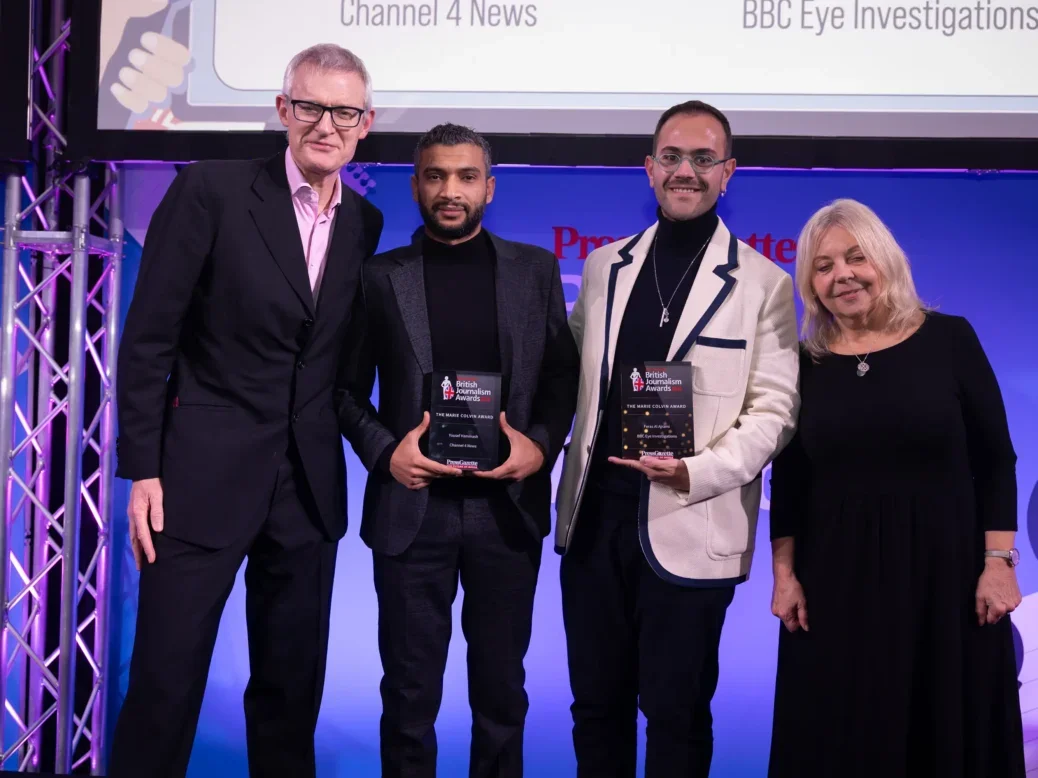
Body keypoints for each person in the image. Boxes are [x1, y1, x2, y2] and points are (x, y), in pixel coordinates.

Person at [109, 44, 383, 777]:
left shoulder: (367, 223)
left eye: (344, 111)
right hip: (196, 484)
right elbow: (149, 338)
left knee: (291, 700)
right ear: (283, 110)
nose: (327, 124)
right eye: (311, 106)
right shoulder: (212, 192)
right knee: (165, 688)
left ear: (366, 122)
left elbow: (339, 364)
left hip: (307, 492)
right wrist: (142, 469)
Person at [554, 100, 800, 777]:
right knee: (594, 709)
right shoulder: (605, 267)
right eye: (671, 157)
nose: (684, 171)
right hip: (595, 519)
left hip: (692, 519)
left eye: (702, 159)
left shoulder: (764, 284)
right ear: (649, 167)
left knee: (677, 714)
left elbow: (774, 412)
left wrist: (697, 469)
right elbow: (564, 377)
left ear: (728, 173)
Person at [338, 123, 579, 778]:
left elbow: (563, 377)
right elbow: (344, 392)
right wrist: (387, 454)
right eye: (436, 176)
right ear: (416, 185)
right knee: (410, 698)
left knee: (502, 693)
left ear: (489, 187)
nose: (451, 190)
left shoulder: (535, 270)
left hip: (508, 511)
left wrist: (542, 446)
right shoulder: (380, 278)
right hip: (414, 510)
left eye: (466, 176)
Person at [767, 198, 1025, 777]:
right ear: (810, 282)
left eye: (856, 258)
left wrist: (999, 561)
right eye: (824, 265)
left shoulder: (951, 340)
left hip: (950, 580)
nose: (843, 275)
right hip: (835, 586)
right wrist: (783, 576)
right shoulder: (803, 364)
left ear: (885, 259)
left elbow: (996, 459)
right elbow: (790, 477)